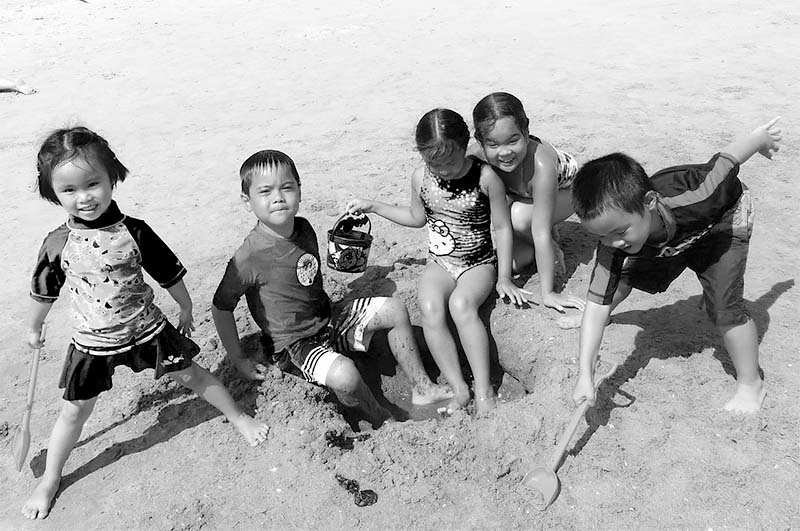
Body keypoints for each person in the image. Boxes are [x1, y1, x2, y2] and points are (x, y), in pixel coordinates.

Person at [22, 126, 269, 521]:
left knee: (192, 376)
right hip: (92, 343)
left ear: (112, 177)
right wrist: (34, 327)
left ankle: (238, 417)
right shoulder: (57, 242)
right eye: (69, 190)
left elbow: (166, 270)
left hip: (146, 329)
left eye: (93, 183)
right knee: (74, 410)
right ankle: (51, 478)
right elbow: (44, 291)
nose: (84, 197)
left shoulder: (133, 230)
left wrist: (186, 307)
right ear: (53, 192)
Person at [211, 149, 453, 428]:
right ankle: (381, 418)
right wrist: (238, 358)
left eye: (287, 187)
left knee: (395, 308)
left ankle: (423, 387)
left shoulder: (303, 228)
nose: (278, 197)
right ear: (247, 201)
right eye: (265, 191)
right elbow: (221, 306)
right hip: (295, 344)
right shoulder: (249, 256)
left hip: (330, 319)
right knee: (346, 377)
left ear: (299, 191)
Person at [570, 117, 782, 415]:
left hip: (723, 222)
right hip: (669, 237)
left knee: (724, 308)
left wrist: (760, 139)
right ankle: (615, 310)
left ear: (649, 202)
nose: (613, 242)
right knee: (623, 274)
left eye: (619, 232)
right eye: (601, 236)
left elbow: (727, 159)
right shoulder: (613, 239)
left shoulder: (698, 196)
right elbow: (596, 303)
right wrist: (585, 376)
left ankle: (751, 384)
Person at [347, 108, 530, 415]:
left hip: (478, 263)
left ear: (465, 145)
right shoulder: (421, 177)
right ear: (423, 156)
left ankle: (483, 390)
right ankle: (459, 388)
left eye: (451, 162)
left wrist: (503, 278)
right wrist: (374, 206)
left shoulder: (486, 178)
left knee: (461, 305)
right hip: (440, 263)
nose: (443, 170)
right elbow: (416, 217)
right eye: (435, 164)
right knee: (430, 307)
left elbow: (501, 227)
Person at [470, 92, 585, 314]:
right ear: (480, 141)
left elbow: (539, 231)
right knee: (514, 264)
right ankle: (537, 239)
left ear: (526, 131)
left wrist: (548, 293)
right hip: (524, 196)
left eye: (513, 141)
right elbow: (447, 166)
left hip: (568, 192)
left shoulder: (540, 163)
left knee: (520, 218)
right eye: (493, 144)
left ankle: (553, 244)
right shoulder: (476, 155)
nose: (504, 152)